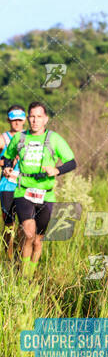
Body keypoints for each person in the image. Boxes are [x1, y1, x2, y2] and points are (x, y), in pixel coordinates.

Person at [3, 102, 77, 276]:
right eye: (32, 116)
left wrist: (57, 170)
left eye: (39, 117)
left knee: (37, 240)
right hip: (24, 191)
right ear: (28, 118)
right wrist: (7, 167)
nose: (35, 120)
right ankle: (23, 277)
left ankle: (29, 271)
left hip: (46, 194)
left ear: (46, 119)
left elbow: (72, 162)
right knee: (28, 234)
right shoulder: (19, 138)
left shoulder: (54, 139)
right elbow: (7, 157)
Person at [0, 105, 26, 259]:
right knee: (9, 226)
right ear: (8, 120)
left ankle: (21, 259)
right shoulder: (3, 138)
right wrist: (4, 165)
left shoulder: (30, 136)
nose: (16, 123)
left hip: (25, 186)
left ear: (24, 120)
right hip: (7, 186)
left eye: (19, 120)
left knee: (25, 226)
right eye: (13, 120)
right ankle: (9, 259)